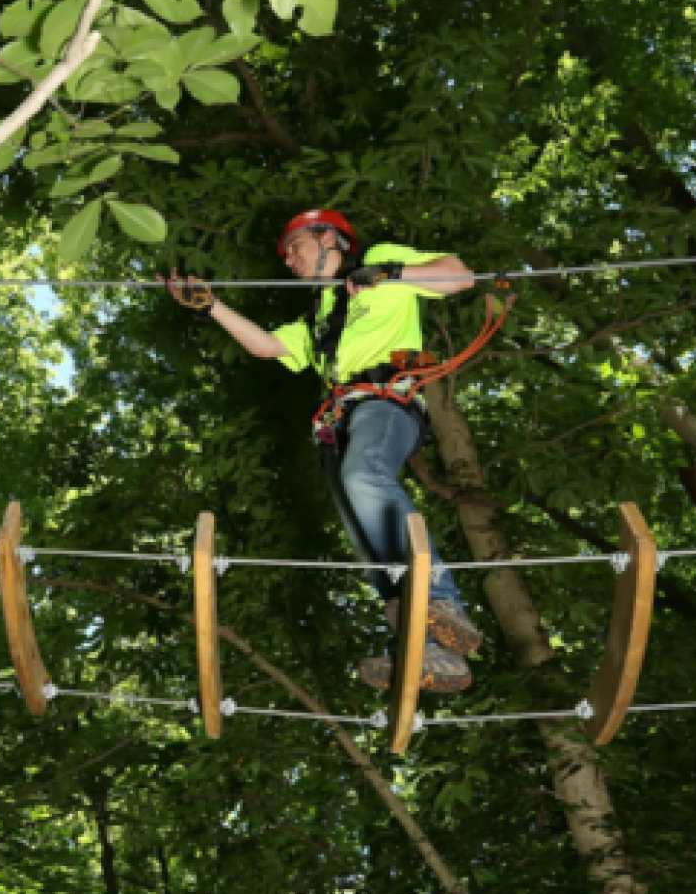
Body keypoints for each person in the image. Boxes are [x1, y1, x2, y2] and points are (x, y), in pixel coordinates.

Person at [162, 208, 483, 693]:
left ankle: (442, 599)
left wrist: (391, 274)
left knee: (365, 479)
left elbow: (460, 277)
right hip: (342, 421)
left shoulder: (380, 261)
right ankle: (428, 649)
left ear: (329, 237)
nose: (289, 260)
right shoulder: (320, 317)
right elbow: (268, 347)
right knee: (363, 533)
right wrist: (212, 307)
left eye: (296, 246)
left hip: (384, 403)